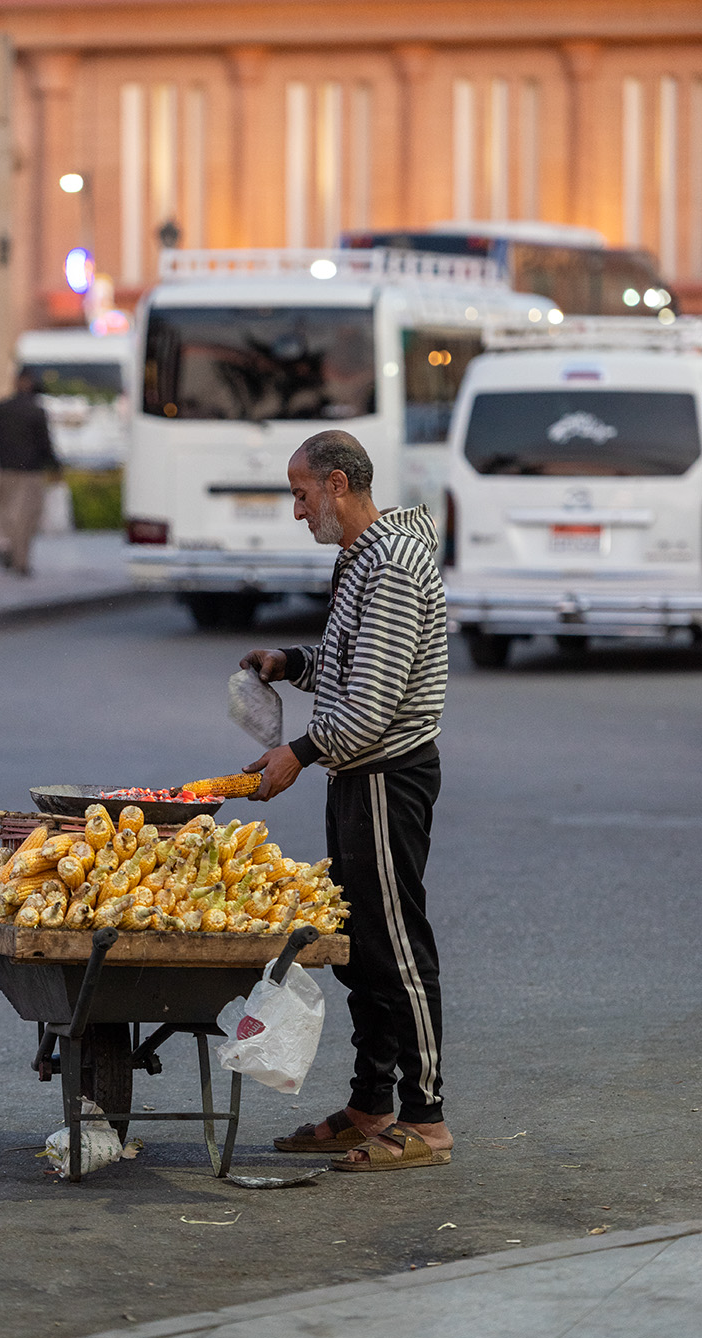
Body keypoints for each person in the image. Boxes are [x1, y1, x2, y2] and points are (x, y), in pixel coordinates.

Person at [238, 429, 452, 1172]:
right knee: (363, 952)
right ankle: (371, 1104)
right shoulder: (360, 558)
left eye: (300, 494)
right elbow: (351, 661)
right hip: (355, 778)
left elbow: (368, 707)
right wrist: (290, 662)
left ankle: (425, 1121)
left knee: (396, 949)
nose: (297, 512)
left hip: (386, 779)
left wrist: (295, 754)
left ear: (335, 484)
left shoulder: (389, 565)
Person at [0, 369, 60, 576]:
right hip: (31, 471)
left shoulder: (2, 408)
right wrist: (55, 467)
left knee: (6, 512)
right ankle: (20, 559)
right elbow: (46, 444)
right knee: (28, 516)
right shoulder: (36, 411)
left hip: (7, 468)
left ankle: (7, 547)